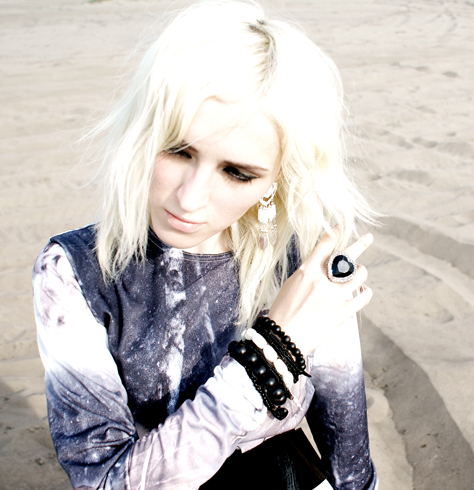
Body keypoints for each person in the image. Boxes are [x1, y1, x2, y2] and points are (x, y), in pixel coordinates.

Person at [32, 1, 378, 488]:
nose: (189, 198)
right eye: (178, 150)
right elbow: (106, 480)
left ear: (275, 182)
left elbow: (348, 450)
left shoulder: (305, 260)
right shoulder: (76, 271)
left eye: (237, 173)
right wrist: (269, 354)